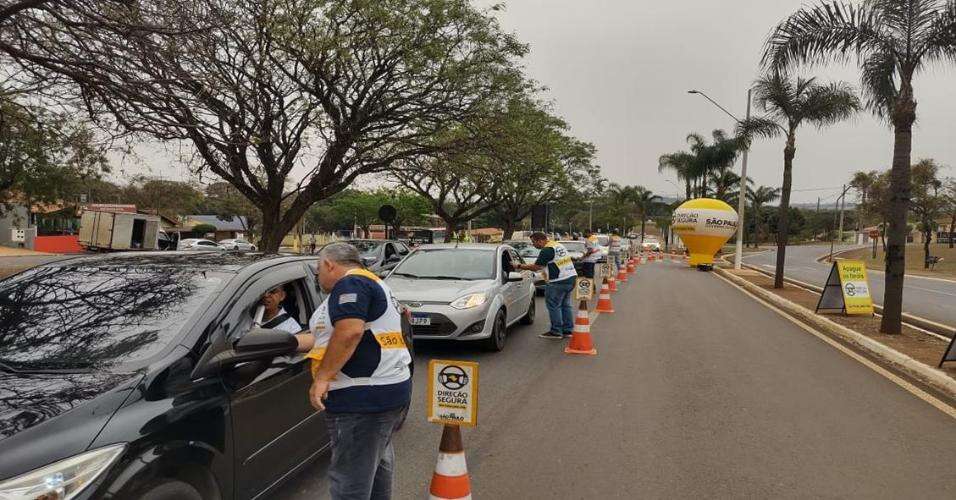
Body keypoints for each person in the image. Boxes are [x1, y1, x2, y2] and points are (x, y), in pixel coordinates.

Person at [294, 243, 412, 500]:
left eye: (318, 270)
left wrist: (322, 378)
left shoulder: (351, 284)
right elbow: (324, 337)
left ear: (329, 264)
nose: (317, 277)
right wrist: (285, 341)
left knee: (350, 483)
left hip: (363, 397)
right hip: (385, 392)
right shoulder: (374, 283)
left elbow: (350, 332)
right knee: (375, 469)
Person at [515, 231, 577, 339]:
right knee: (565, 305)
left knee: (554, 306)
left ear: (540, 240)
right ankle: (568, 330)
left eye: (534, 242)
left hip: (558, 281)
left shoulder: (547, 250)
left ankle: (556, 331)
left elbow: (536, 267)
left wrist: (519, 266)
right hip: (570, 278)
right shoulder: (557, 245)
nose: (533, 245)